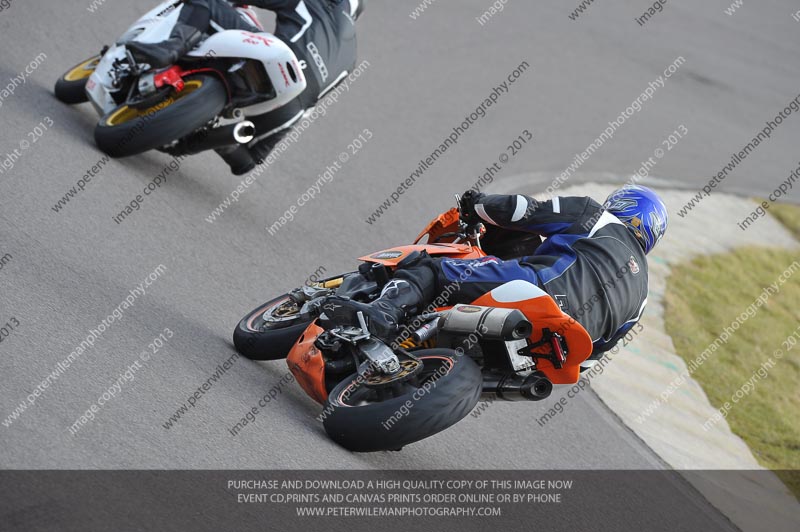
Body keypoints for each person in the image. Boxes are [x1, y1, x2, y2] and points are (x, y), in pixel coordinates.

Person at [324, 185, 668, 364]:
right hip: (559, 349)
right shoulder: (643, 295)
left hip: (540, 290)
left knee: (433, 269)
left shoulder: (598, 217)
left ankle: (381, 314)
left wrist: (477, 203)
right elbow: (596, 356)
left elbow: (524, 211)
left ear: (621, 204)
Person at [127, 0, 364, 174]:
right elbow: (320, 96)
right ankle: (219, 139)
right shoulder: (351, 57)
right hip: (293, 104)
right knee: (249, 159)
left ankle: (169, 50)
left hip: (276, 59)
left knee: (207, 4)